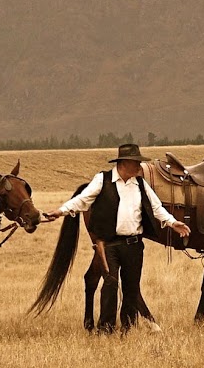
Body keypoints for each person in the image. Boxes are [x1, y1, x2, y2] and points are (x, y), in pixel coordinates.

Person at [43, 143, 191, 334]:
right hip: (109, 245)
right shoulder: (102, 180)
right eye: (135, 162)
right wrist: (61, 211)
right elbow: (82, 200)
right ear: (123, 163)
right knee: (110, 284)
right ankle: (106, 328)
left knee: (131, 287)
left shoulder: (140, 184)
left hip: (134, 245)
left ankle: (127, 328)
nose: (139, 166)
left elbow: (156, 208)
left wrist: (173, 222)